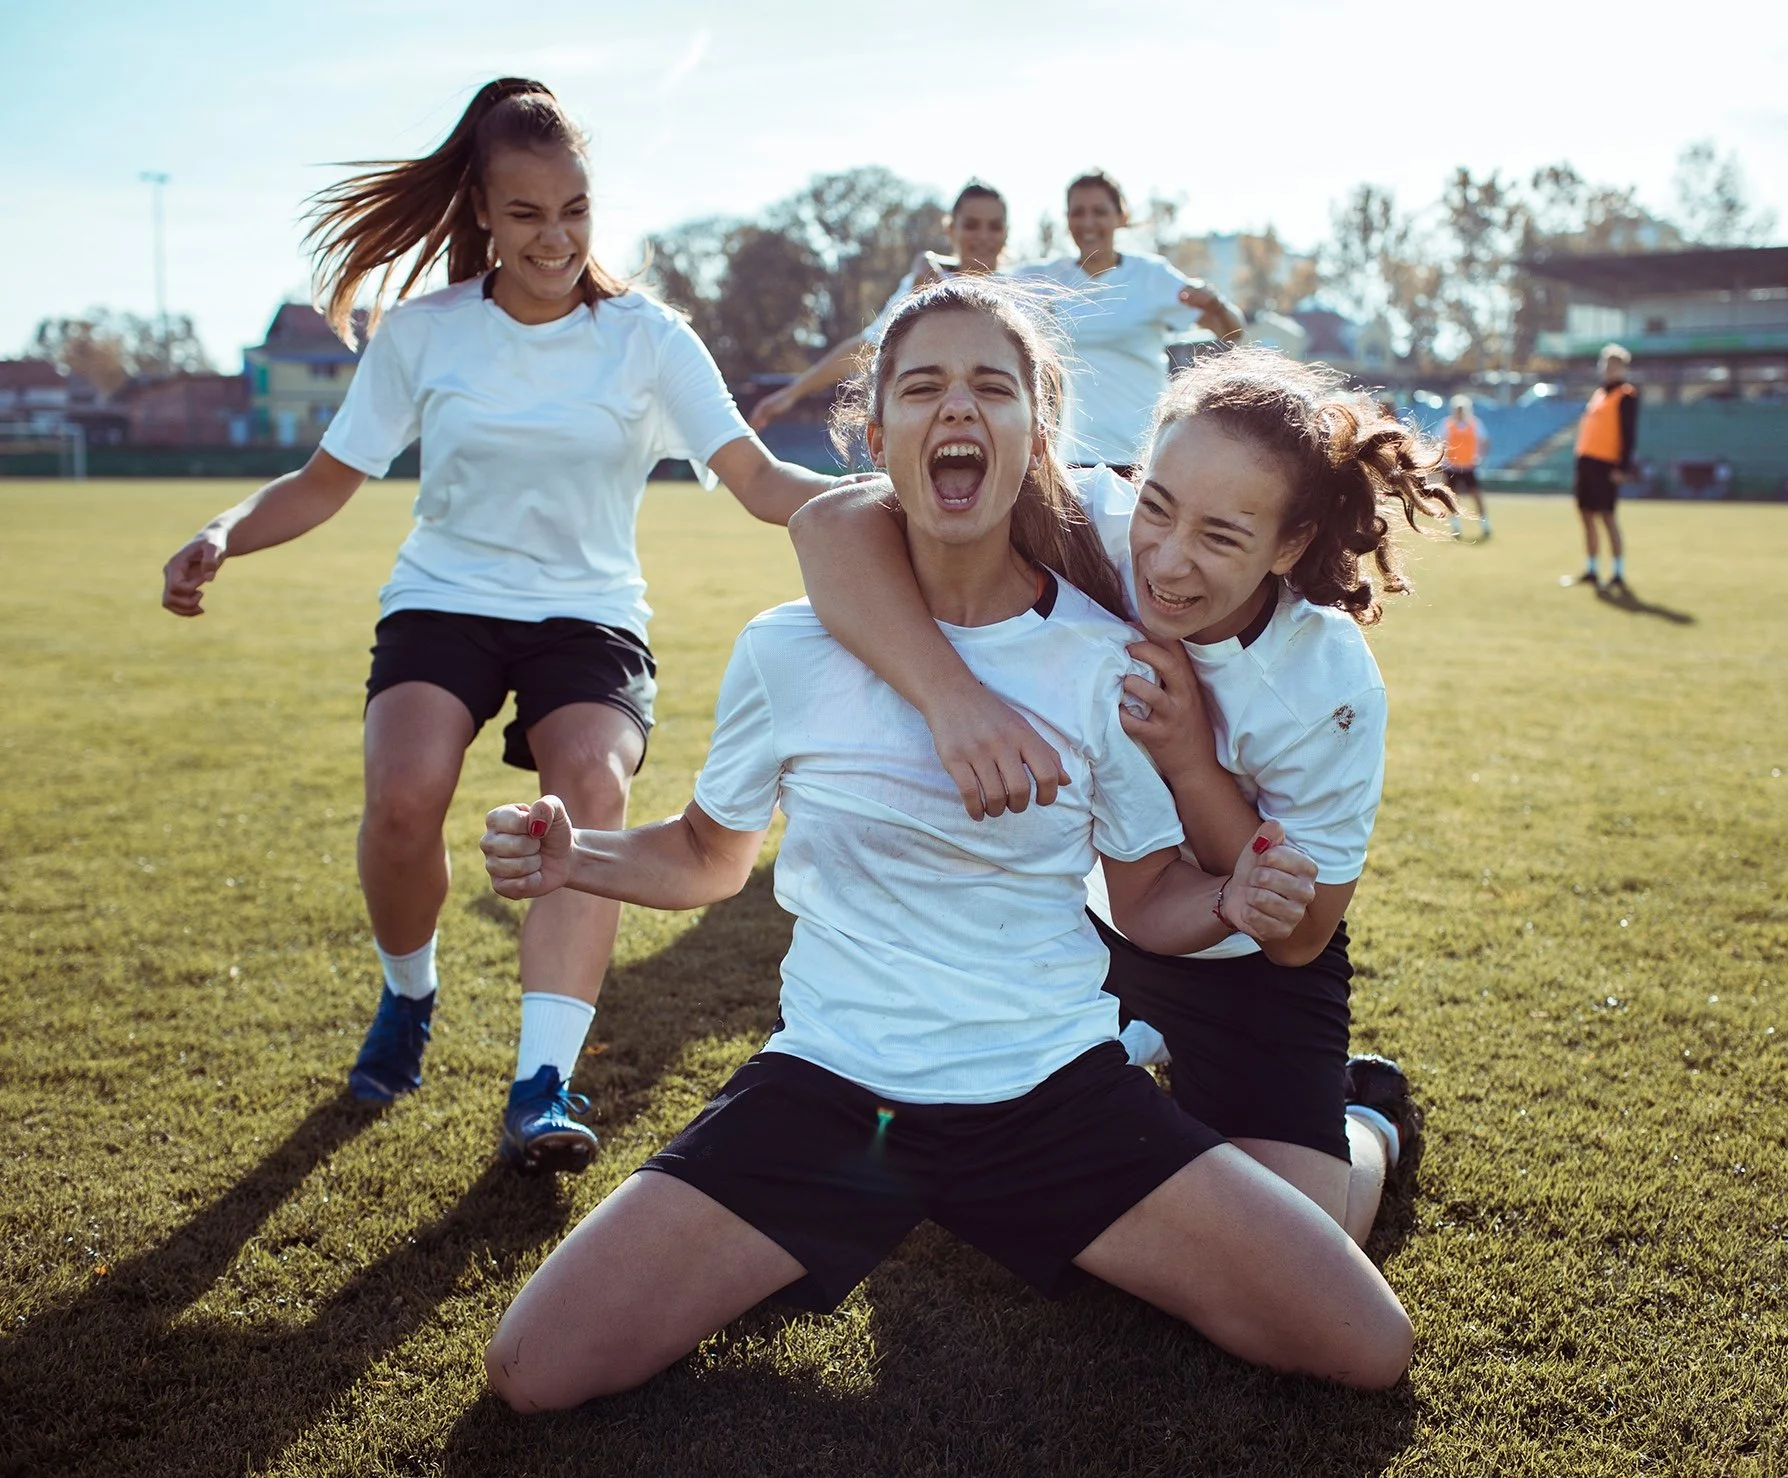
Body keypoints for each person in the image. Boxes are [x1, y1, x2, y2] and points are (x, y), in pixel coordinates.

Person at [476, 280, 1411, 1410]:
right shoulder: (787, 648)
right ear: (879, 439)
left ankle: (1330, 1117)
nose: (956, 408)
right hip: (831, 1091)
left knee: (1366, 1342)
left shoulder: (1114, 661)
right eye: (922, 386)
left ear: (1038, 434)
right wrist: (580, 855)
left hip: (1054, 1095)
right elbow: (710, 855)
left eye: (991, 387)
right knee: (533, 1368)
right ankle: (936, 1175)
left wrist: (1230, 897)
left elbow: (1163, 893)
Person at [158, 79, 839, 1174]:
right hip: (445, 599)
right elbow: (326, 482)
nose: (556, 237)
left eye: (574, 210)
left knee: (590, 797)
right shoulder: (427, 335)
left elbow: (757, 478)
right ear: (482, 211)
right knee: (405, 796)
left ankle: (541, 1081)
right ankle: (409, 993)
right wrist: (224, 531)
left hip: (589, 616)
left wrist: (876, 504)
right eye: (527, 215)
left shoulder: (647, 339)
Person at [789, 347, 1456, 1248]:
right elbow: (832, 524)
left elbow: (1296, 936)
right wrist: (955, 702)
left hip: (1242, 968)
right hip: (1083, 926)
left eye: (1221, 537)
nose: (1168, 562)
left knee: (1297, 1243)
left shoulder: (1328, 683)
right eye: (1159, 506)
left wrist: (1189, 761)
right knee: (993, 1187)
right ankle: (1129, 1046)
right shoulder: (1090, 525)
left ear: (1288, 546)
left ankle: (1366, 1119)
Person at [1013, 171, 1244, 474]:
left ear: (1120, 216)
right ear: (1066, 218)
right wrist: (931, 267)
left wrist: (1214, 302)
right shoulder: (1047, 277)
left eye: (1099, 212)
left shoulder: (1150, 275)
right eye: (1077, 212)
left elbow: (1233, 332)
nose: (1087, 222)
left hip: (1141, 453)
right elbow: (974, 280)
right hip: (1067, 455)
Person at [747, 181, 1011, 431]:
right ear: (951, 229)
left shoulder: (1026, 289)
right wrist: (790, 394)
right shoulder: (919, 283)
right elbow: (867, 346)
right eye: (972, 225)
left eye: (995, 226)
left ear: (1006, 233)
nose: (983, 235)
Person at [1571, 343, 1638, 593]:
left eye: (1614, 365)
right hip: (1586, 462)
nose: (1609, 369)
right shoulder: (1599, 394)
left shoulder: (1627, 395)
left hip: (1606, 464)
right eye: (1606, 364)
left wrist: (1622, 466)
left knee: (1607, 517)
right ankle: (1591, 568)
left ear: (1623, 367)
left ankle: (1618, 572)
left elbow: (1629, 434)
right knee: (1586, 515)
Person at [1442, 393, 1491, 539]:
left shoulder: (1475, 424)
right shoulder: (1447, 424)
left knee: (1477, 496)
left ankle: (1485, 525)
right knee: (1453, 499)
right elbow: (1438, 442)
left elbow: (1484, 441)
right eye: (1457, 409)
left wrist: (1480, 457)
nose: (1460, 412)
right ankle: (1455, 527)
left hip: (1469, 466)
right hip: (1452, 467)